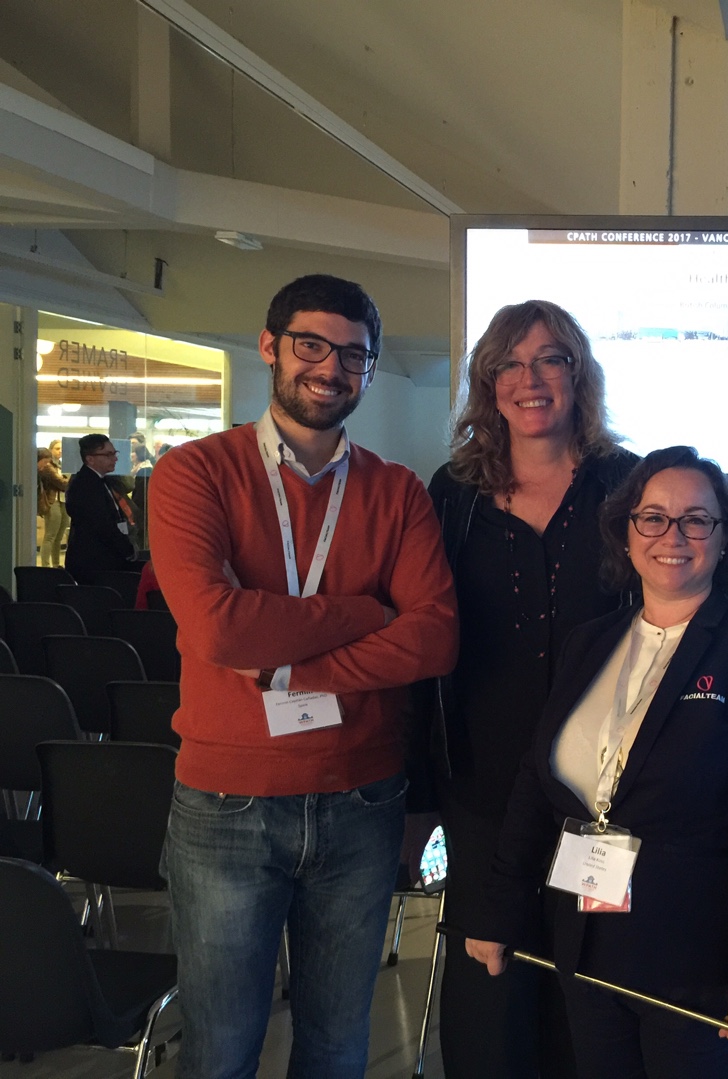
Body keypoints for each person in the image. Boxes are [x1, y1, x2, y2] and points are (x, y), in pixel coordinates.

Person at [147, 273, 458, 1078]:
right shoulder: (193, 473)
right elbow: (217, 628)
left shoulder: (398, 491)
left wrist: (281, 653)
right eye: (311, 345)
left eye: (353, 354)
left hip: (362, 798)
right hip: (227, 804)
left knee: (336, 1046)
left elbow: (433, 639)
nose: (331, 368)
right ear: (269, 347)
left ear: (370, 368)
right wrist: (365, 612)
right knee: (220, 1050)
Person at [467, 446, 728, 1079]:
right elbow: (535, 783)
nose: (672, 536)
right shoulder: (589, 642)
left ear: (726, 538)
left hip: (695, 966)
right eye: (652, 517)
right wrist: (500, 908)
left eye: (696, 520)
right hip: (586, 946)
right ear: (625, 532)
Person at [424, 299, 636, 1079]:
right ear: (488, 382)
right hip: (483, 787)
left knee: (590, 994)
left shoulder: (628, 483)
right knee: (492, 1000)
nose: (530, 377)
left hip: (604, 791)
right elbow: (425, 636)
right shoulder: (452, 493)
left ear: (579, 376)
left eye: (551, 359)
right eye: (510, 362)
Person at [64, 433, 140, 584]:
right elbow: (102, 525)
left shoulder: (103, 480)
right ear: (90, 459)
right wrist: (126, 548)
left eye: (114, 453)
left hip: (103, 558)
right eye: (108, 454)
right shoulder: (85, 485)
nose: (115, 458)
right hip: (94, 562)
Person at [36, 446, 69, 567]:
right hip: (52, 501)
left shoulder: (60, 465)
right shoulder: (48, 466)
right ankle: (45, 566)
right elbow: (62, 483)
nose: (60, 451)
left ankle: (56, 564)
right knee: (51, 535)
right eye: (57, 448)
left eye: (61, 448)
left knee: (59, 535)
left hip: (62, 500)